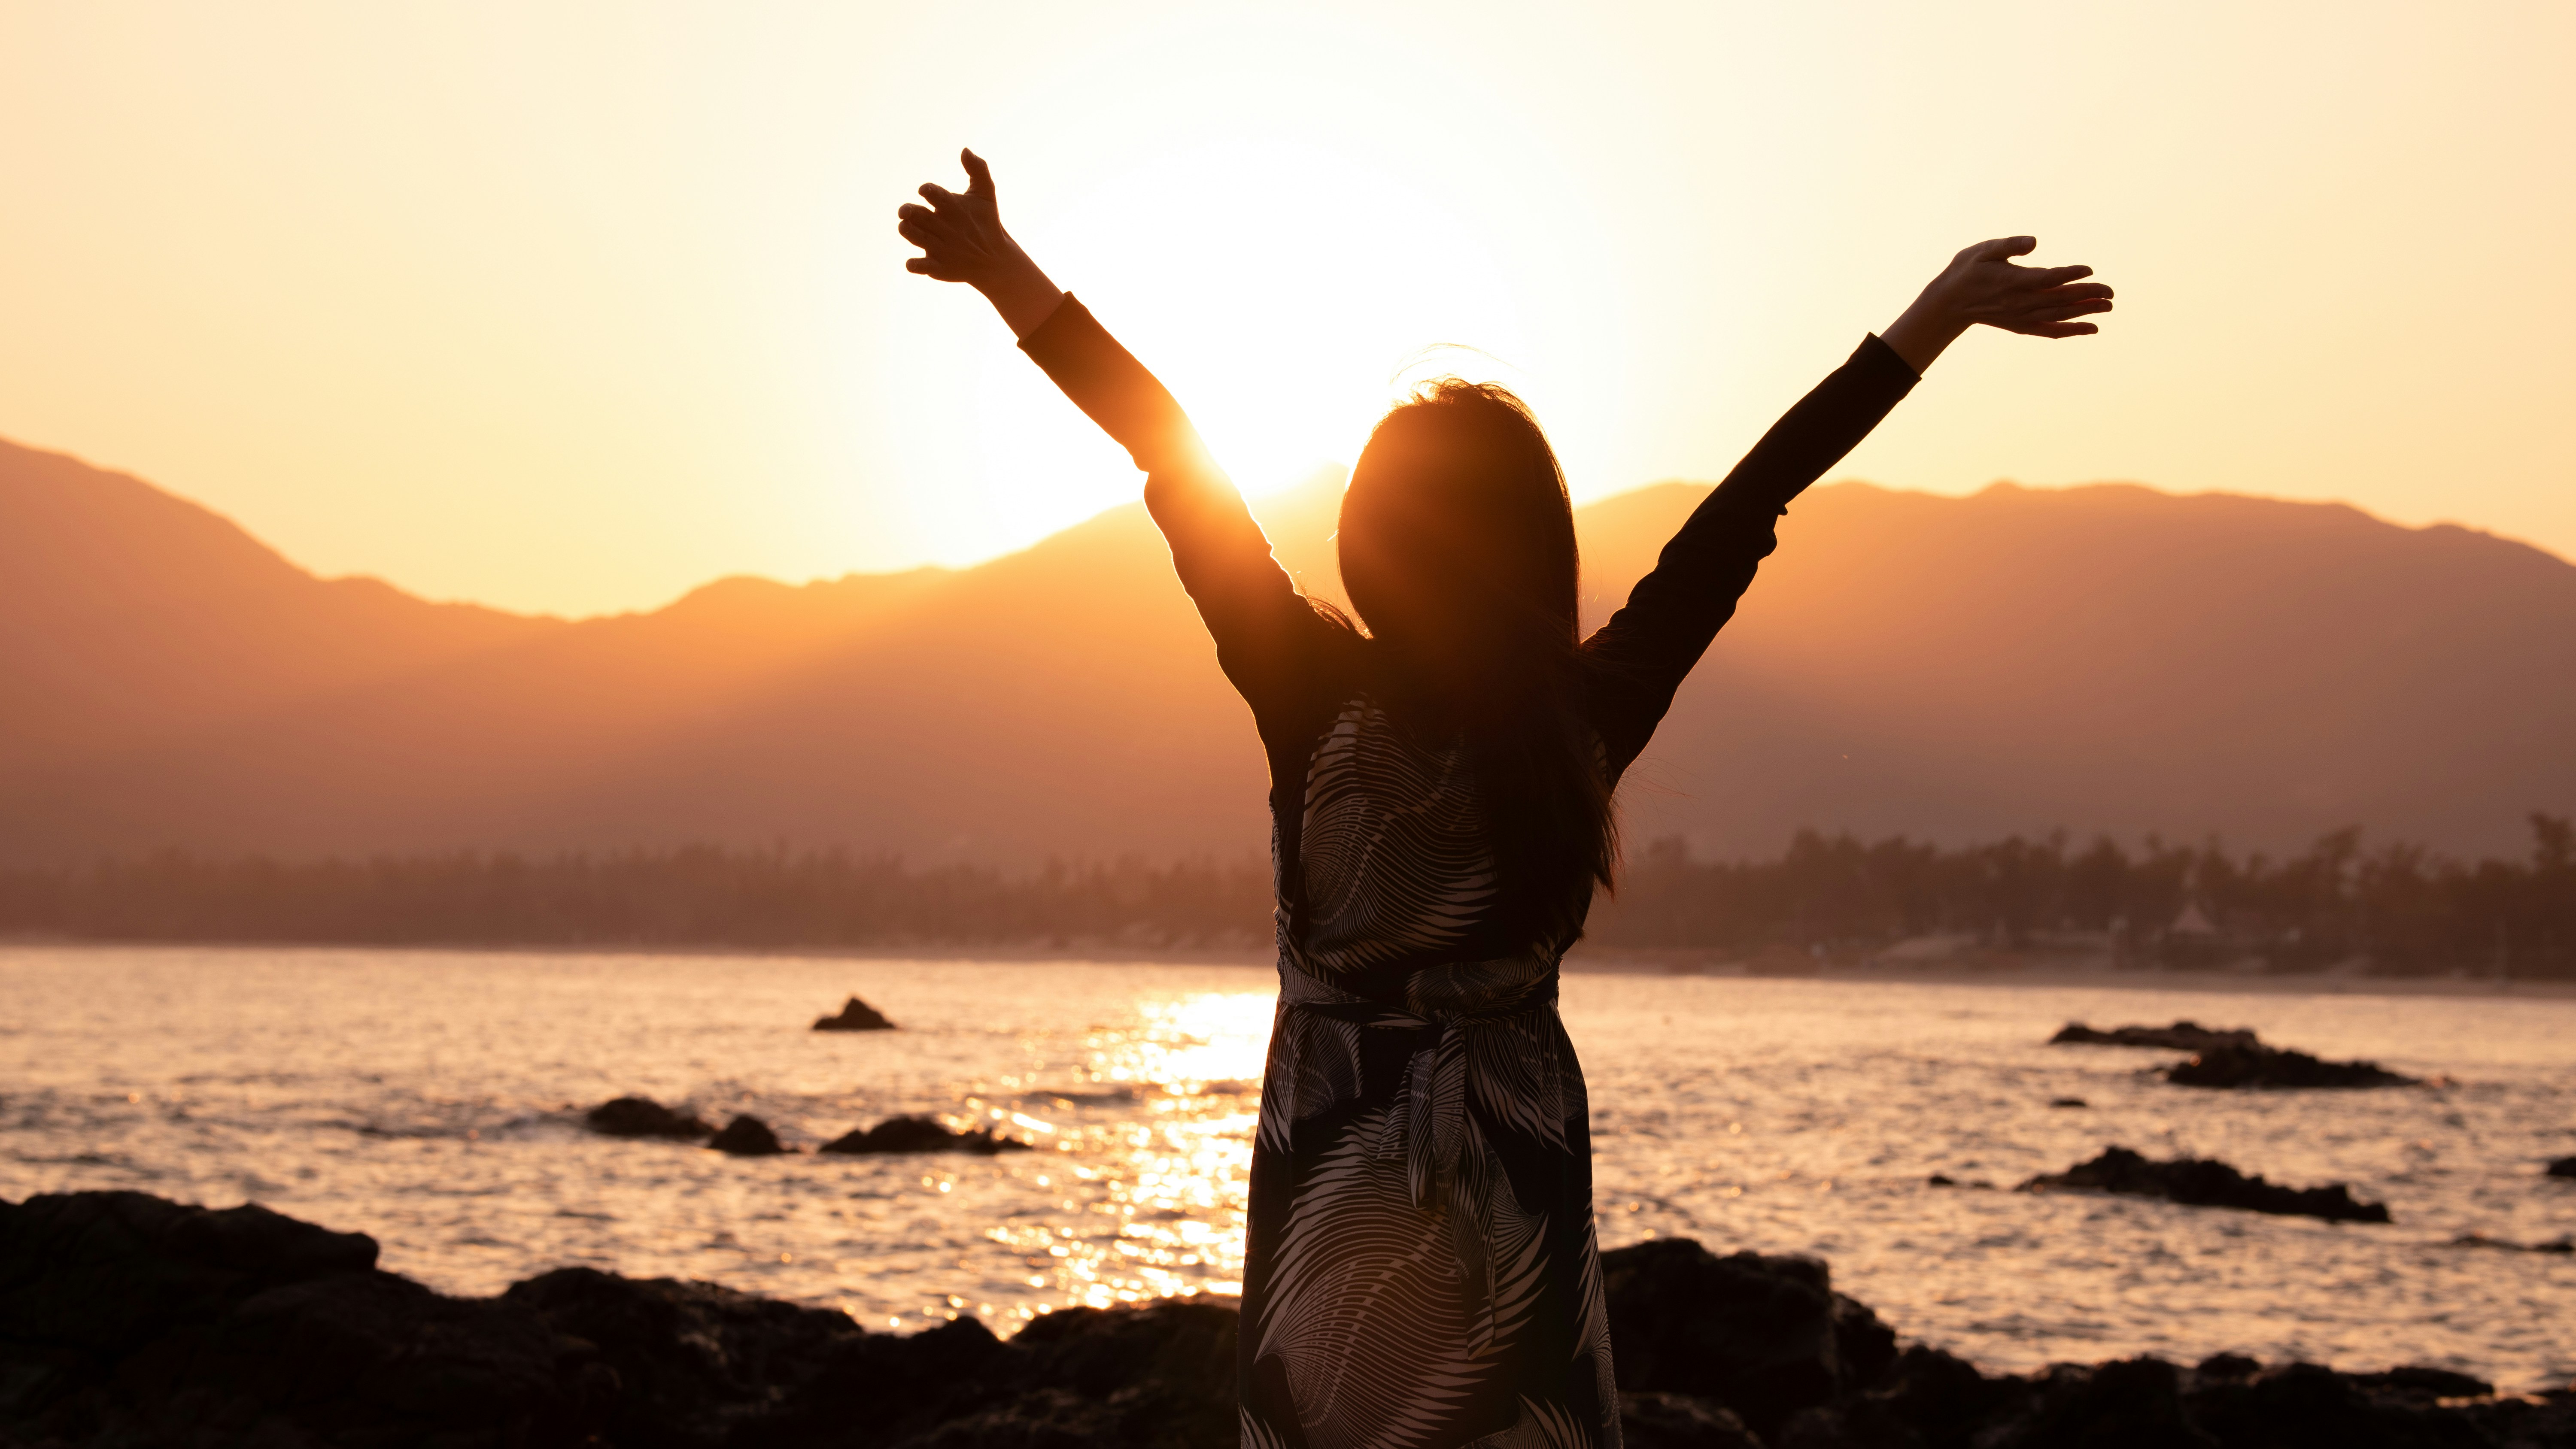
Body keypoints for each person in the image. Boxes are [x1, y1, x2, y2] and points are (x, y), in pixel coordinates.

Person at [897, 149, 2110, 1449]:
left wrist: (1007, 277)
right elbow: (1749, 506)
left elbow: (1169, 450)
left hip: (1334, 1199)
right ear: (1537, 543)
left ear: (1370, 535)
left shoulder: (1304, 681)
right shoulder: (1580, 720)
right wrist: (1933, 318)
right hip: (1511, 1198)